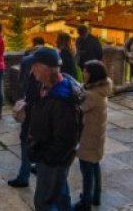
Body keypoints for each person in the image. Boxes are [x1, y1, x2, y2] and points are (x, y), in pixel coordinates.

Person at [27, 47, 84, 211]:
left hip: (52, 160)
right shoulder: (48, 87)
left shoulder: (62, 99)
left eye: (35, 66)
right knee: (60, 195)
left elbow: (67, 139)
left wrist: (46, 158)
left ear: (45, 69)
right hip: (50, 156)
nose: (32, 70)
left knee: (43, 202)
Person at [74, 60, 111, 210]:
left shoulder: (91, 95)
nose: (83, 73)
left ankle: (86, 202)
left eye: (86, 71)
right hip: (96, 135)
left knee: (86, 170)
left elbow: (77, 110)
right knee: (95, 165)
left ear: (92, 74)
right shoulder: (101, 89)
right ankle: (96, 195)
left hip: (88, 137)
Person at [7, 41, 44, 188]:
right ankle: (34, 169)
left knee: (26, 145)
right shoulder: (46, 79)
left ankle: (24, 176)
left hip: (33, 118)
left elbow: (25, 86)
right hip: (37, 118)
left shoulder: (37, 79)